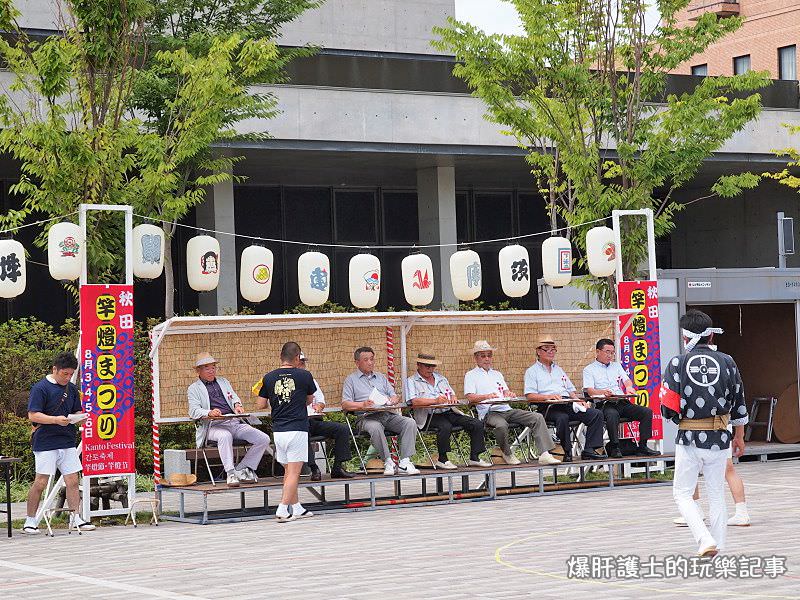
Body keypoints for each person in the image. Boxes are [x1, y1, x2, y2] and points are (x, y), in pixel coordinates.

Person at [659, 309, 748, 556]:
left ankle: (703, 538)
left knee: (682, 493)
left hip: (688, 437)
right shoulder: (727, 361)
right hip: (720, 437)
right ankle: (718, 545)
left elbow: (667, 406)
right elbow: (739, 401)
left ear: (685, 338)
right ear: (710, 336)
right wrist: (738, 436)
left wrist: (680, 417)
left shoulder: (678, 362)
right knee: (716, 493)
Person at [23, 352, 95, 534]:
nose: (68, 377)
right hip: (45, 441)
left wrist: (80, 418)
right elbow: (33, 415)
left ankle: (76, 517)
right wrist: (55, 420)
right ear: (54, 369)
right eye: (65, 373)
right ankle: (30, 520)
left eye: (71, 374)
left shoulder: (71, 389)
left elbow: (76, 410)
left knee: (72, 480)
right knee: (41, 482)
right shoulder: (40, 388)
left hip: (67, 440)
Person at [464, 340, 561, 466]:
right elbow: (470, 398)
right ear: (476, 358)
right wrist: (486, 396)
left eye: (489, 355)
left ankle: (544, 454)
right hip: (489, 412)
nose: (487, 359)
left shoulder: (497, 374)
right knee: (501, 425)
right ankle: (507, 453)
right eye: (483, 356)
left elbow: (505, 391)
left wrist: (509, 394)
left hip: (506, 408)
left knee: (537, 417)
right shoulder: (471, 375)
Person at [188, 352, 271, 487]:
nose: (211, 370)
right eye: (207, 368)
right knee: (225, 435)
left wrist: (237, 405)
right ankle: (231, 473)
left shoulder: (223, 381)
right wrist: (209, 412)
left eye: (213, 367)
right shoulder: (193, 388)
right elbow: (193, 411)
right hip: (212, 426)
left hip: (233, 421)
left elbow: (233, 397)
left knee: (263, 438)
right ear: (198, 370)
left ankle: (243, 468)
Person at [257, 342, 316, 522]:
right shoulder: (305, 375)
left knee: (288, 471)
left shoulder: (268, 377)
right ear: (297, 357)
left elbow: (260, 404)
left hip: (279, 430)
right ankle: (283, 508)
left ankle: (296, 507)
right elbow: (309, 400)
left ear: (280, 357)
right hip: (297, 428)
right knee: (294, 472)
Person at [524, 335, 605, 462]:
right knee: (562, 418)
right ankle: (565, 451)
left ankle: (590, 449)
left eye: (553, 349)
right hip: (548, 407)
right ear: (538, 351)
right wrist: (548, 397)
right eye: (547, 349)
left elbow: (570, 390)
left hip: (567, 403)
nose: (551, 352)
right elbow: (529, 396)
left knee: (596, 414)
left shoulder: (559, 369)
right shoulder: (532, 371)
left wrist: (579, 401)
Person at [406, 350, 492, 469]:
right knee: (445, 426)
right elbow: (414, 402)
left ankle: (475, 457)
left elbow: (452, 394)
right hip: (428, 416)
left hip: (448, 411)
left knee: (476, 423)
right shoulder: (411, 381)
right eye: (427, 366)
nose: (430, 368)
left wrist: (452, 398)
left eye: (433, 366)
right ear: (419, 365)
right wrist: (435, 401)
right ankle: (443, 459)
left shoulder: (441, 378)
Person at [341, 346, 419, 476]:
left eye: (372, 359)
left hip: (386, 413)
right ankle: (388, 461)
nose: (370, 362)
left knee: (409, 422)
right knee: (376, 427)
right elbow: (345, 404)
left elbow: (394, 395)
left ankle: (405, 462)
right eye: (366, 360)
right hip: (366, 417)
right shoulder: (351, 380)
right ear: (357, 362)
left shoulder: (381, 377)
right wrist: (363, 404)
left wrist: (393, 399)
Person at [582, 338, 660, 458]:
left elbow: (626, 380)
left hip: (621, 401)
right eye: (607, 352)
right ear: (597, 352)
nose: (610, 355)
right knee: (612, 415)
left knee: (646, 412)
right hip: (605, 403)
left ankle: (643, 446)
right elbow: (590, 391)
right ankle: (614, 447)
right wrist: (603, 392)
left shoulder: (616, 366)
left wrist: (629, 387)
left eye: (612, 352)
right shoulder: (589, 369)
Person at [298, 352, 355, 480]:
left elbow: (321, 401)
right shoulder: (289, 382)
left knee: (342, 428)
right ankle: (314, 468)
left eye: (303, 363)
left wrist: (319, 406)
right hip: (298, 422)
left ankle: (338, 467)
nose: (302, 365)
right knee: (303, 432)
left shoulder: (311, 380)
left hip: (314, 420)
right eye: (300, 362)